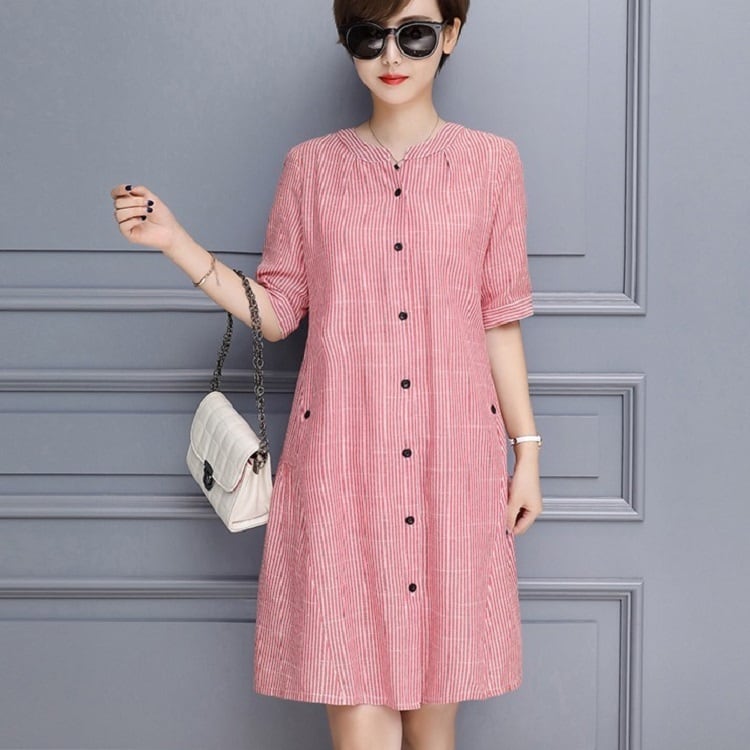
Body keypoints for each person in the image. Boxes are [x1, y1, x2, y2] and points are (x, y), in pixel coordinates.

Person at [110, 0, 543, 747]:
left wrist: (526, 453)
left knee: (434, 727)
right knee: (358, 710)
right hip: (341, 469)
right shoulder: (310, 170)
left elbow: (498, 319)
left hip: (453, 469)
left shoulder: (492, 164)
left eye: (414, 34)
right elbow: (278, 311)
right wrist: (179, 245)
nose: (390, 56)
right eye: (368, 36)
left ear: (451, 35)